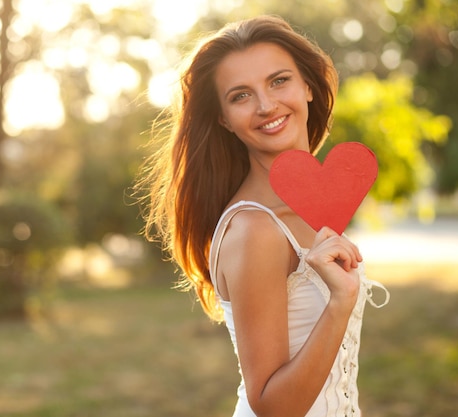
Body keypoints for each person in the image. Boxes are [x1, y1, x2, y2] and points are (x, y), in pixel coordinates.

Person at [135, 15, 389, 417]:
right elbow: (273, 408)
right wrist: (340, 302)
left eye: (278, 81)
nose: (267, 105)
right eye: (240, 96)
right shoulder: (255, 229)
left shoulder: (310, 212)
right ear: (223, 119)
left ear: (307, 85)